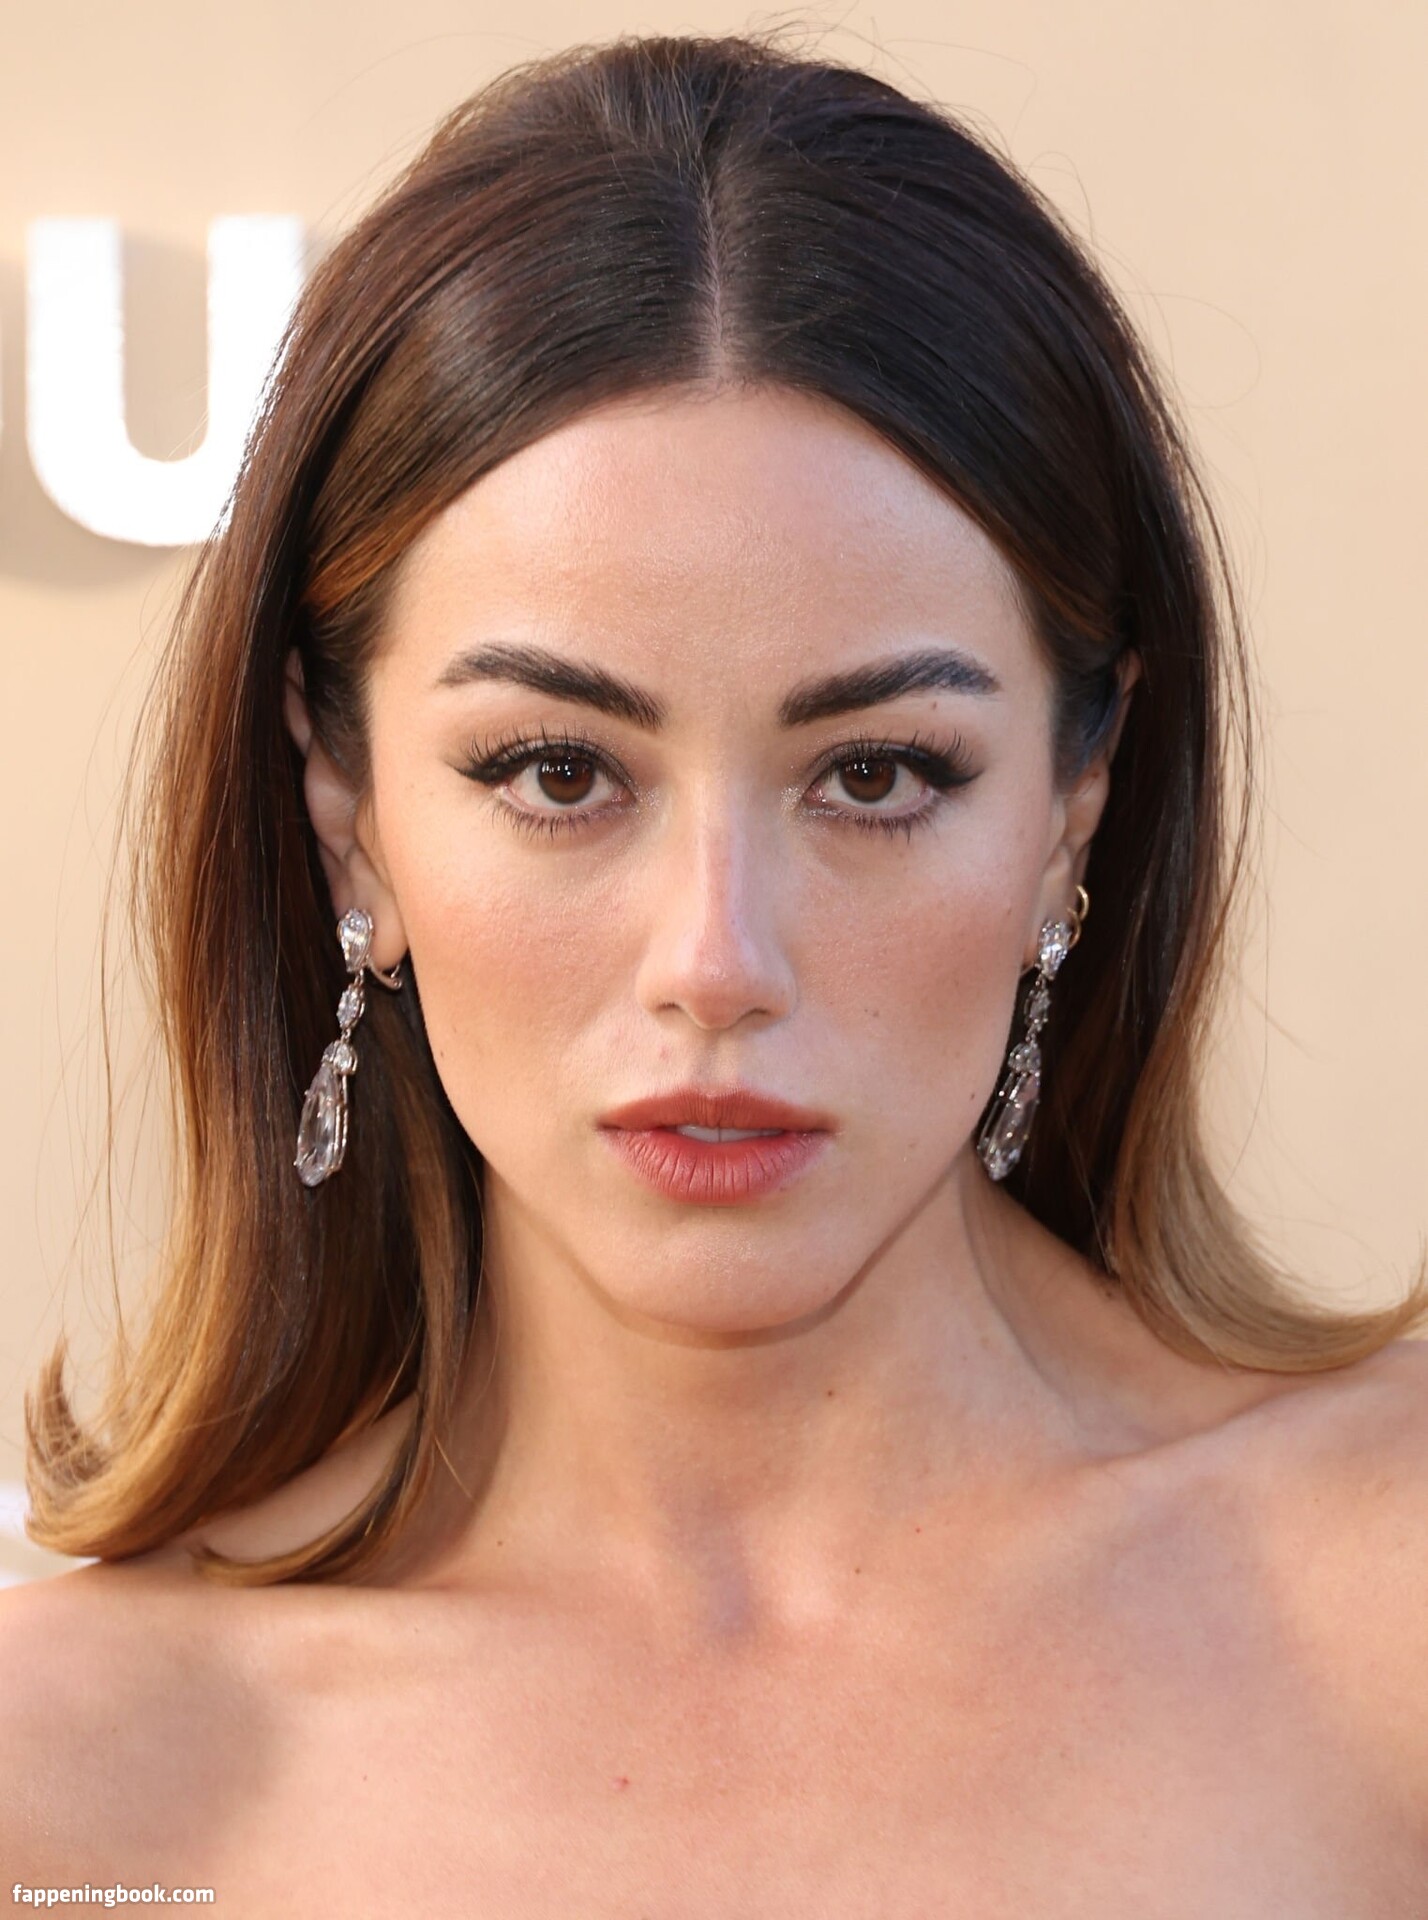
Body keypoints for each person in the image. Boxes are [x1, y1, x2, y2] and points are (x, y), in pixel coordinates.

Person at [4, 27, 1426, 1911]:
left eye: (877, 776)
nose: (717, 962)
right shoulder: (75, 1787)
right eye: (558, 773)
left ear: (1072, 810)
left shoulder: (1391, 1607)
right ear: (349, 811)